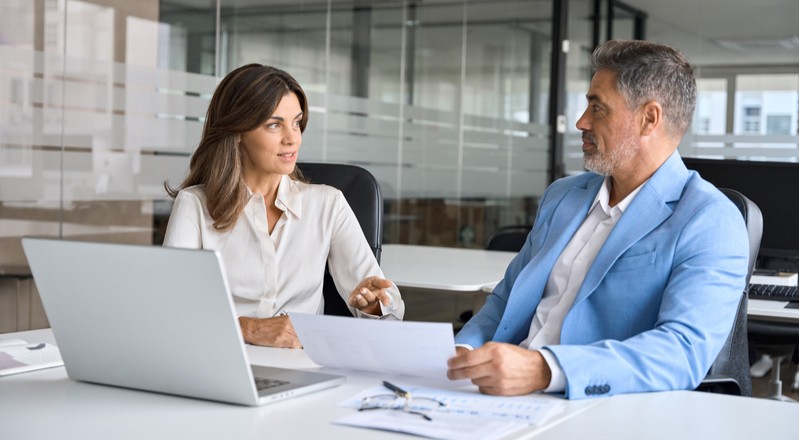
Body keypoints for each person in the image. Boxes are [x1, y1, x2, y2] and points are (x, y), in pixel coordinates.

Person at [447, 40, 749, 399]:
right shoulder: (563, 196)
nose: (581, 122)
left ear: (649, 118)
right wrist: (463, 356)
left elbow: (681, 351)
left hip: (593, 402)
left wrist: (544, 370)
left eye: (597, 108)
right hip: (502, 396)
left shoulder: (710, 219)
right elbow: (505, 301)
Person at [163, 64, 404, 348]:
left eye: (297, 122)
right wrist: (248, 328)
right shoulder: (194, 205)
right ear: (238, 131)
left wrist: (374, 305)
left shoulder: (328, 204)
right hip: (223, 359)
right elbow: (172, 311)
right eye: (274, 124)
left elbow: (391, 312)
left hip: (303, 365)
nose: (293, 138)